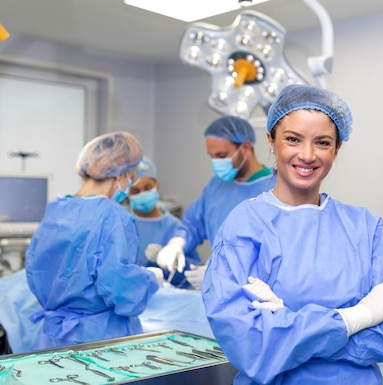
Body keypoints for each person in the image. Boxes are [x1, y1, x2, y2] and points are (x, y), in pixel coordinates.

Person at [202, 84, 383, 384]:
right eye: (292, 139)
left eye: (323, 143)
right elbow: (251, 347)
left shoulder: (364, 227)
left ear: (337, 149)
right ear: (271, 142)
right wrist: (357, 317)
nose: (307, 155)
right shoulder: (244, 227)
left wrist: (289, 325)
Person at [25, 132, 162, 350]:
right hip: (98, 342)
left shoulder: (56, 210)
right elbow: (119, 288)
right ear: (121, 173)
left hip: (51, 339)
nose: (130, 185)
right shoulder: (112, 216)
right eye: (132, 177)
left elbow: (34, 272)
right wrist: (149, 279)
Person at [154, 115, 276, 289]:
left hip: (257, 293)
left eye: (221, 155)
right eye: (212, 156)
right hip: (219, 295)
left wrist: (221, 273)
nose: (216, 163)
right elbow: (193, 223)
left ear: (246, 147)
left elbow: (273, 255)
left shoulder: (275, 189)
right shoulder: (216, 186)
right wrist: (177, 243)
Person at [129, 156, 201, 288]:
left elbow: (192, 271)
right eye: (135, 191)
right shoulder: (123, 224)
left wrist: (166, 261)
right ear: (127, 194)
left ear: (157, 185)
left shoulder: (175, 227)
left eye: (148, 187)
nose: (142, 194)